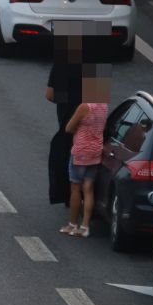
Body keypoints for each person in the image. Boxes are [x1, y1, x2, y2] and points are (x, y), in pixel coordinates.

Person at [61, 76, 108, 237]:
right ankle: (85, 226)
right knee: (88, 189)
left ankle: (73, 224)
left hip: (81, 151)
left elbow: (68, 127)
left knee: (75, 188)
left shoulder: (84, 106)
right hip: (96, 152)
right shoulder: (103, 106)